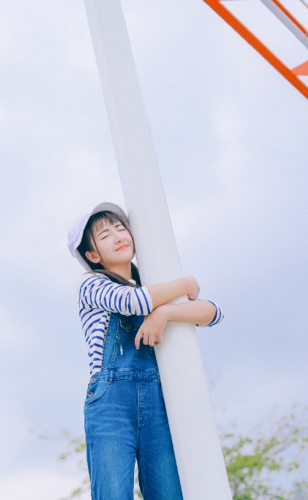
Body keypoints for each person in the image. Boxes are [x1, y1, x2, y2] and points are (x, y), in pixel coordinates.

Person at [67, 202, 223, 500]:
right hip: (110, 401)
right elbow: (132, 303)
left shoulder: (154, 291)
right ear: (93, 255)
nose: (117, 236)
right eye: (104, 235)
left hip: (159, 402)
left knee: (169, 493)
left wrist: (163, 315)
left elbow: (214, 312)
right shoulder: (91, 283)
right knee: (113, 495)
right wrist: (186, 283)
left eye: (120, 227)